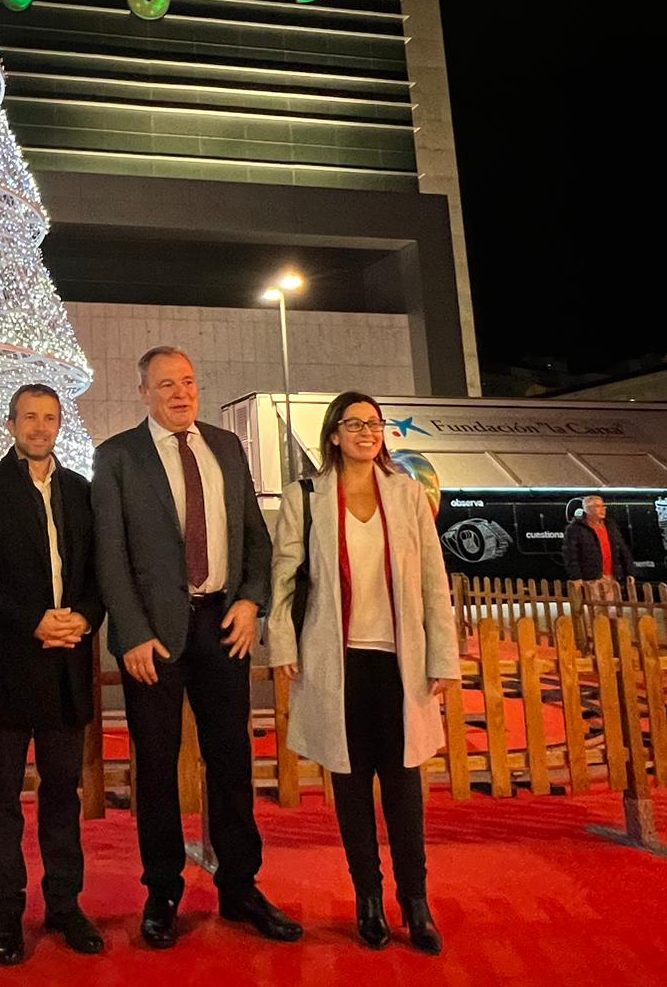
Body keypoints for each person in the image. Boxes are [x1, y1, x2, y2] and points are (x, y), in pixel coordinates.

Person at [92, 346, 299, 949]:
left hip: (222, 628)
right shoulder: (118, 457)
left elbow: (255, 540)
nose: (180, 394)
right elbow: (110, 555)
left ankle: (240, 887)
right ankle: (161, 891)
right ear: (143, 393)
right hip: (152, 640)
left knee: (232, 761)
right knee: (155, 769)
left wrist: (250, 601)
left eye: (188, 382)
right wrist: (130, 633)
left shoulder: (227, 448)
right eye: (165, 386)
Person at [263, 391, 460, 955]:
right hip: (340, 660)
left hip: (399, 663)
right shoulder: (308, 497)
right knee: (350, 789)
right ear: (333, 435)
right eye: (354, 425)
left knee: (403, 787)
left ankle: (415, 902)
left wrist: (441, 657)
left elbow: (432, 582)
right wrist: (282, 643)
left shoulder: (407, 495)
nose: (366, 433)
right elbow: (285, 576)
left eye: (374, 425)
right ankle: (368, 900)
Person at [0, 383, 105, 966]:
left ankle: (66, 906)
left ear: (60, 423)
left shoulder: (80, 490)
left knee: (63, 795)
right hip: (9, 666)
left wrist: (84, 620)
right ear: (11, 423)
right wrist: (35, 623)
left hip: (69, 663)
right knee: (1, 798)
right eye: (29, 417)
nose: (39, 427)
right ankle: (6, 913)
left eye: (49, 418)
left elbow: (97, 572)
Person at [561, 495, 635, 594]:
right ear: (587, 509)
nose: (603, 509)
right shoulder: (575, 529)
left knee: (613, 608)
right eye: (598, 506)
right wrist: (576, 577)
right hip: (591, 579)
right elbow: (570, 555)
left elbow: (623, 549)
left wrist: (629, 572)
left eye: (603, 506)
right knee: (597, 608)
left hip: (612, 576)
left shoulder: (610, 526)